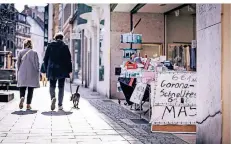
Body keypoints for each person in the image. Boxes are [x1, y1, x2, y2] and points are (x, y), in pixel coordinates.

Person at [43, 32, 72, 111]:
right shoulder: (65, 46)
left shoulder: (50, 45)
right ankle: (60, 105)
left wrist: (46, 69)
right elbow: (69, 59)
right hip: (62, 69)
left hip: (52, 69)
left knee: (52, 86)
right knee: (61, 87)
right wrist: (70, 70)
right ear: (62, 38)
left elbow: (45, 58)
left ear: (55, 38)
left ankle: (53, 98)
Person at [17, 39, 40, 110]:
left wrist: (19, 71)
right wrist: (37, 72)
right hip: (32, 73)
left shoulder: (20, 52)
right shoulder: (34, 53)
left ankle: (22, 98)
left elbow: (18, 64)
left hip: (22, 72)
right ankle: (28, 105)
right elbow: (37, 64)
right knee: (30, 89)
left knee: (22, 88)